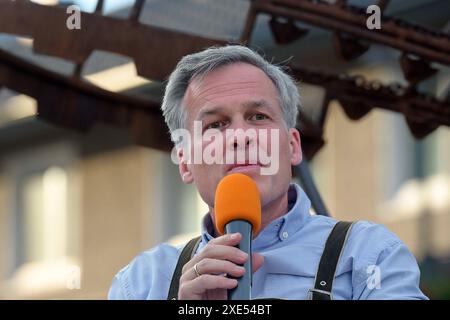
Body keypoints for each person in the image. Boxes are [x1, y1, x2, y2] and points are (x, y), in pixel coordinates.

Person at [108, 45, 427, 300]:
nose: (240, 136)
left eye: (258, 117)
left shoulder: (369, 255)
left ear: (292, 146)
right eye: (215, 125)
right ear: (185, 162)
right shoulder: (140, 284)